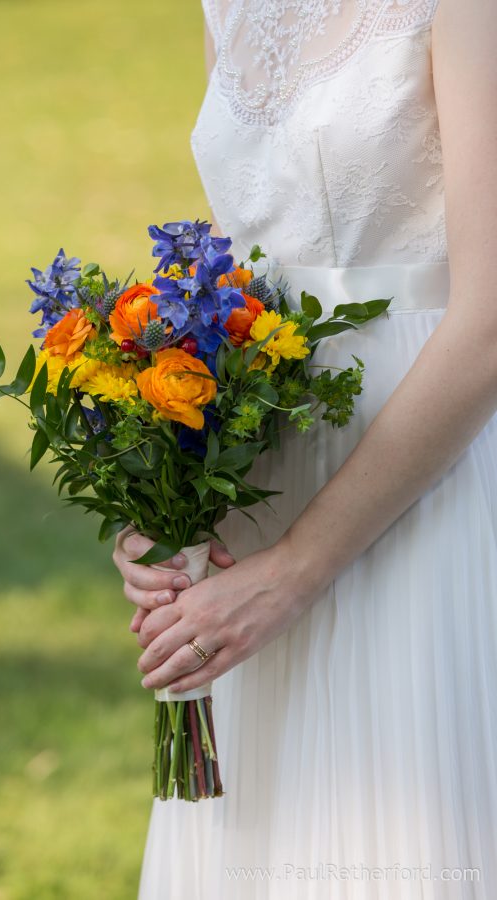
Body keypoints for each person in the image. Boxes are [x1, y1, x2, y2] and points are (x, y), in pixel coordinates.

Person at [114, 1, 497, 897]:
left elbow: (489, 323)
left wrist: (295, 572)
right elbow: (237, 278)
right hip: (262, 482)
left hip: (424, 475)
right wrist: (165, 500)